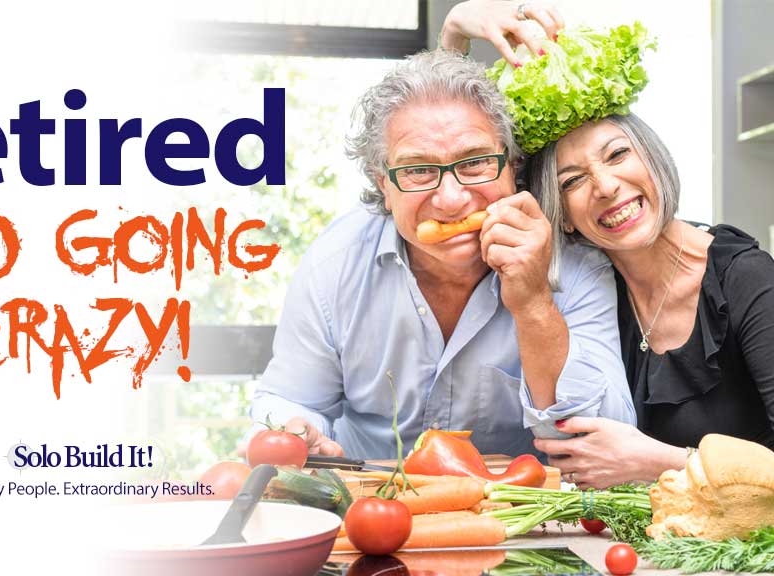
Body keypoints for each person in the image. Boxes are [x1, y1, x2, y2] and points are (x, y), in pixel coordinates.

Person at [441, 1, 774, 488]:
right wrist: (454, 31)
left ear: (653, 157)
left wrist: (665, 462)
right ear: (564, 217)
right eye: (573, 180)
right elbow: (456, 166)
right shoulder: (585, 286)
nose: (606, 185)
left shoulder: (745, 278)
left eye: (617, 154)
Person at [249, 47, 635, 461]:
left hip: (518, 517)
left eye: (475, 163)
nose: (451, 200)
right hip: (369, 505)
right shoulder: (335, 262)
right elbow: (292, 400)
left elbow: (608, 441)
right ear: (384, 184)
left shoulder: (575, 264)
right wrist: (297, 430)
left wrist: (535, 304)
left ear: (512, 165)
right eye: (417, 171)